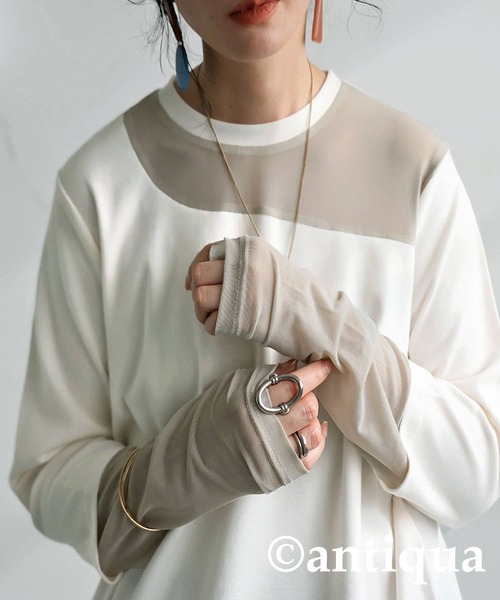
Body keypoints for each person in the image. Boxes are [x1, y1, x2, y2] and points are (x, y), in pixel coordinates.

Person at [9, 0, 500, 598]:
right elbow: (48, 472)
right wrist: (185, 465)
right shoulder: (103, 187)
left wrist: (317, 322)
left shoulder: (413, 169)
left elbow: (475, 472)